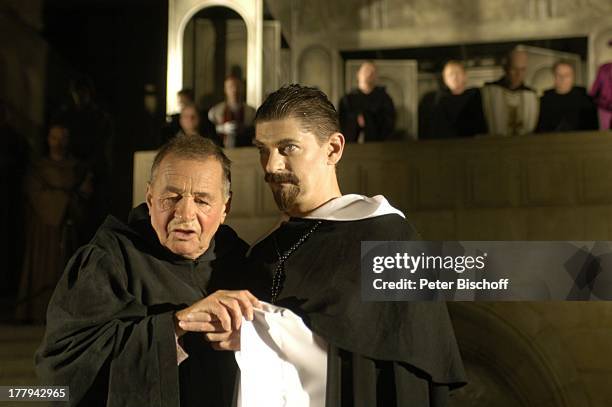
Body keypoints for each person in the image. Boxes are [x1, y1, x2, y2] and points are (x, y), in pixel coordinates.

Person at [246, 84, 466, 406]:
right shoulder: (260, 253)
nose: (270, 166)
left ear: (333, 149)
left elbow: (406, 378)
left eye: (287, 148)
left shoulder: (388, 241)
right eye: (262, 150)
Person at [36, 136, 259, 406]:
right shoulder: (107, 261)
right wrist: (174, 327)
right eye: (171, 197)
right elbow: (59, 372)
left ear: (226, 207)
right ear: (150, 198)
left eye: (202, 200)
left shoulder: (244, 262)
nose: (185, 213)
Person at [15, 123, 92, 323]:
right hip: (45, 227)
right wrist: (61, 202)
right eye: (54, 138)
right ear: (48, 140)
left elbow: (85, 190)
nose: (58, 143)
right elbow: (34, 192)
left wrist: (72, 201)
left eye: (62, 138)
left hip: (69, 225)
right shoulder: (38, 168)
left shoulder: (77, 167)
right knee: (44, 266)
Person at [420, 60, 487, 139]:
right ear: (445, 79)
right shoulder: (437, 102)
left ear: (465, 76)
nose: (455, 77)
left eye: (458, 73)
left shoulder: (475, 97)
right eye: (450, 74)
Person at [481, 49, 539, 136]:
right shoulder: (489, 92)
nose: (518, 74)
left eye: (522, 69)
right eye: (514, 69)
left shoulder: (531, 95)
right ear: (505, 68)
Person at [339, 61, 396, 143]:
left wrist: (368, 120)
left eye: (372, 72)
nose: (369, 74)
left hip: (378, 144)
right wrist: (356, 120)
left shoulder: (384, 99)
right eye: (366, 71)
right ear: (358, 74)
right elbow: (341, 122)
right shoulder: (347, 99)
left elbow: (389, 123)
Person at [536, 61, 598, 133]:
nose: (563, 78)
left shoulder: (585, 100)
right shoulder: (545, 100)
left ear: (573, 77)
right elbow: (541, 128)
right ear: (554, 76)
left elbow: (592, 128)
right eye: (559, 75)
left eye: (567, 75)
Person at [208, 76, 256, 148]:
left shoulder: (251, 111)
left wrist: (244, 129)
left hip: (245, 149)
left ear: (242, 89)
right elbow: (209, 132)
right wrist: (222, 128)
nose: (234, 90)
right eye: (231, 87)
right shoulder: (215, 111)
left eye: (237, 87)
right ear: (225, 89)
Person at [590, 62, 612, 130]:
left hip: (604, 106)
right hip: (604, 108)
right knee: (604, 134)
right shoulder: (604, 68)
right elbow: (595, 89)